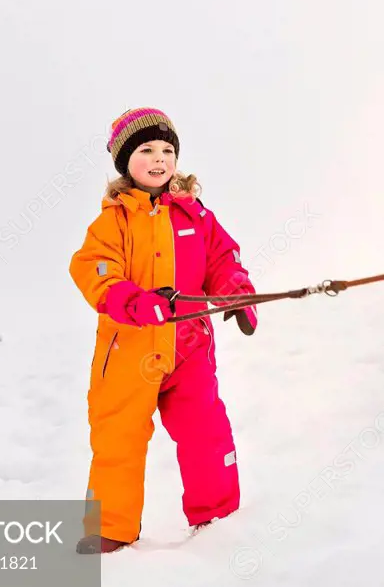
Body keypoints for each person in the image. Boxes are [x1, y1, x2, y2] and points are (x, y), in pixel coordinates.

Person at [68, 107, 257, 554]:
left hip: (188, 347)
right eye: (147, 150)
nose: (159, 159)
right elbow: (95, 271)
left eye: (167, 150)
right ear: (125, 161)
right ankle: (110, 530)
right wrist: (132, 301)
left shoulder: (194, 215)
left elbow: (222, 259)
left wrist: (236, 292)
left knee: (206, 430)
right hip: (128, 351)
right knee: (118, 438)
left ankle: (218, 521)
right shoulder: (112, 222)